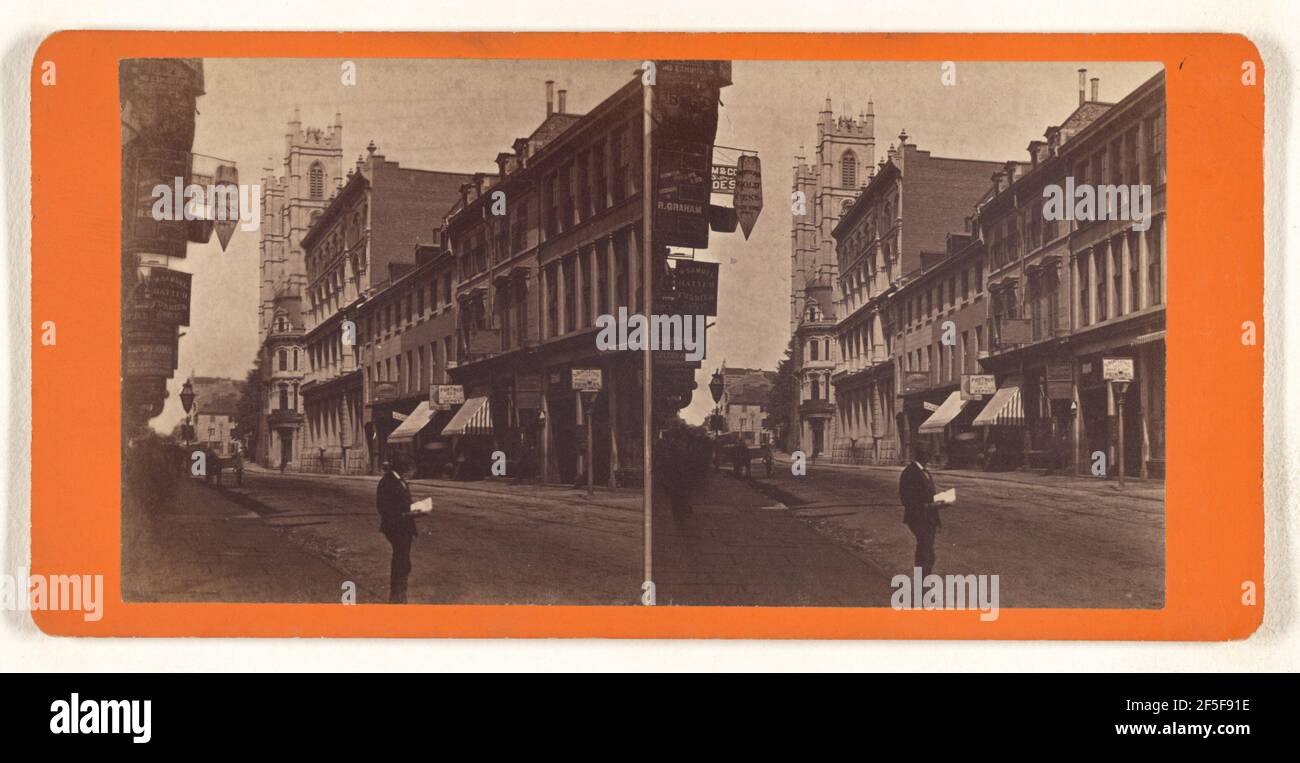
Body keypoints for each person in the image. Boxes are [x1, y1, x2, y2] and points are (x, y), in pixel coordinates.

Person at [376, 457, 418, 603]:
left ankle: (400, 594)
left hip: (405, 526)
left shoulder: (400, 480)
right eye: (410, 468)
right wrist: (404, 514)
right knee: (401, 560)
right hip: (396, 527)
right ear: (402, 468)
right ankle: (396, 596)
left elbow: (403, 502)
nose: (412, 471)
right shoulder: (387, 482)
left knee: (403, 560)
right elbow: (383, 507)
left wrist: (415, 510)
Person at [899, 444, 940, 578]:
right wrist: (929, 506)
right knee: (926, 553)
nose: (930, 457)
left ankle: (922, 586)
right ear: (922, 455)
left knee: (926, 552)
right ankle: (923, 589)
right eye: (928, 454)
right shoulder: (910, 472)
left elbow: (927, 493)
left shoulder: (924, 471)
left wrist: (939, 501)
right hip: (919, 518)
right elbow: (907, 499)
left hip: (929, 518)